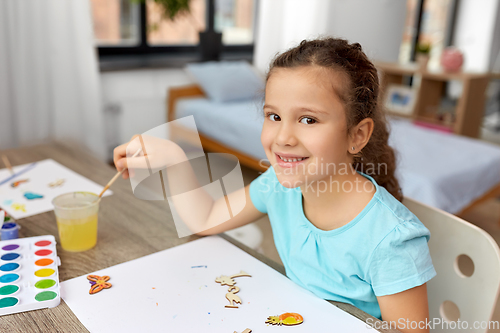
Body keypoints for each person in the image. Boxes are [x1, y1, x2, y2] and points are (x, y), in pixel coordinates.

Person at [114, 37, 436, 333]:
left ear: (357, 135)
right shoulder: (278, 187)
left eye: (308, 119)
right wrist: (174, 158)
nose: (282, 138)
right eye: (274, 116)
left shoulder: (391, 239)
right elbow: (206, 218)